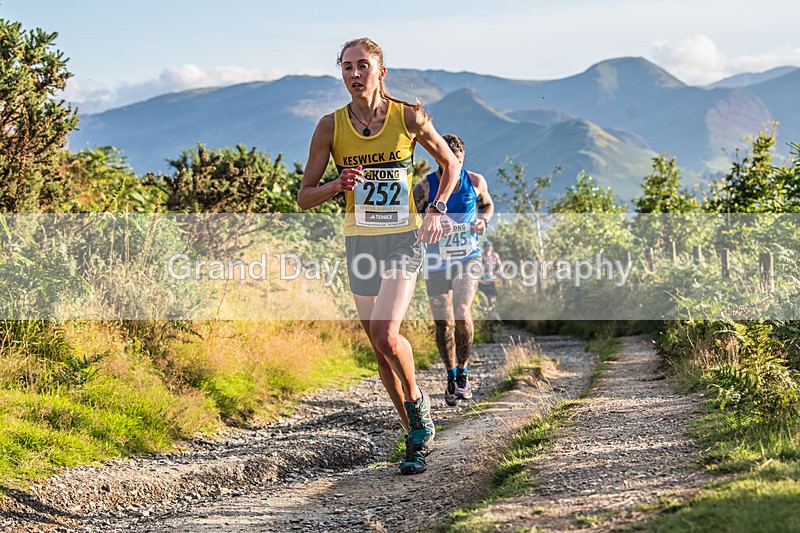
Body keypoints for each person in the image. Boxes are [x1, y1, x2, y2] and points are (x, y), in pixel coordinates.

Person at [297, 37, 460, 475]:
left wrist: (436, 209)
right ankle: (413, 435)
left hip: (403, 237)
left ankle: (420, 412)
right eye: (347, 67)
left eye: (362, 66)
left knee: (388, 335)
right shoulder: (330, 128)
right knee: (377, 345)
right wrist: (337, 185)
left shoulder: (407, 116)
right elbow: (304, 197)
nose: (354, 74)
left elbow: (451, 165)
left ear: (380, 72)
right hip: (360, 241)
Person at [413, 134, 494, 406]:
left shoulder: (476, 181)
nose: (456, 167)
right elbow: (410, 222)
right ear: (439, 160)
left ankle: (463, 374)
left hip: (468, 256)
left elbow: (488, 205)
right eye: (451, 162)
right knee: (443, 322)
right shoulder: (425, 188)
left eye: (460, 162)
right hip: (437, 260)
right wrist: (430, 224)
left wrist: (483, 221)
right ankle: (449, 376)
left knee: (461, 310)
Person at [478, 240, 501, 310]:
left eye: (488, 246)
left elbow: (500, 265)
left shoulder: (495, 255)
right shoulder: (480, 256)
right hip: (482, 281)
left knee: (493, 300)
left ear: (491, 247)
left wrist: (498, 272)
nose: (487, 248)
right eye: (485, 246)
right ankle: (486, 314)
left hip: (491, 281)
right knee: (484, 300)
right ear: (483, 247)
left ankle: (493, 314)